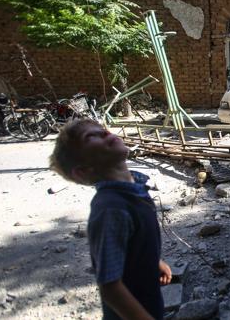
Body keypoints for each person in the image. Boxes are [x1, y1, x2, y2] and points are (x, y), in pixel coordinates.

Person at [49, 119, 171, 320]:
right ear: (83, 170)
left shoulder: (136, 189)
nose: (105, 133)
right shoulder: (111, 209)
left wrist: (153, 261)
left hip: (148, 300)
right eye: (91, 136)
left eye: (102, 130)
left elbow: (129, 242)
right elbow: (109, 286)